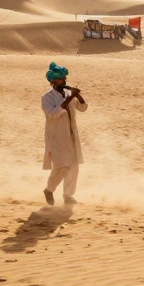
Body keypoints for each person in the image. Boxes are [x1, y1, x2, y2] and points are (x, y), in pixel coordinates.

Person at [41, 62, 86, 206]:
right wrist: (70, 98)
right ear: (53, 81)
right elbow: (54, 113)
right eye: (61, 79)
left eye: (64, 78)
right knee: (61, 166)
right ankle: (49, 190)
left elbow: (83, 108)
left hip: (71, 136)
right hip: (56, 137)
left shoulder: (68, 94)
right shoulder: (46, 97)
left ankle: (68, 195)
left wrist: (77, 96)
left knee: (73, 166)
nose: (64, 81)